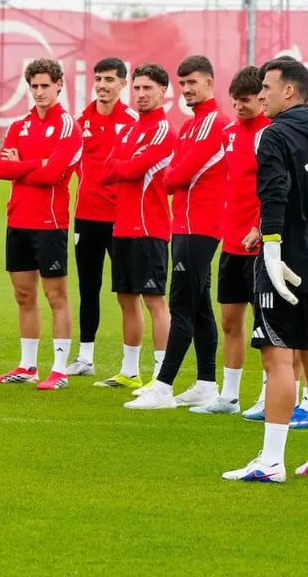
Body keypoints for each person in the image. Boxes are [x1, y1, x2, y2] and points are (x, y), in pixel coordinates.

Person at [223, 57, 308, 482]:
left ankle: (271, 462)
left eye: (267, 87)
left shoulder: (274, 135)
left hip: (285, 263)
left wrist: (270, 246)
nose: (262, 95)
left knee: (278, 361)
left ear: (290, 91)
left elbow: (275, 194)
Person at [127, 55, 230, 409]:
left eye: (193, 83)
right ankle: (206, 382)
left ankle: (164, 386)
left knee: (181, 305)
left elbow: (175, 177)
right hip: (186, 225)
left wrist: (171, 176)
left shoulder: (210, 123)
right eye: (182, 83)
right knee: (199, 305)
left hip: (198, 226)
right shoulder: (191, 125)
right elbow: (173, 172)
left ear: (209, 84)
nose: (187, 89)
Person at [0, 58, 83, 391]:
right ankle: (27, 366)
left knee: (56, 296)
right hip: (18, 220)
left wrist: (25, 166)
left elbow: (54, 174)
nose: (40, 92)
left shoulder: (68, 126)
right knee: (23, 294)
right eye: (34, 86)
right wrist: (37, 163)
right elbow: (1, 170)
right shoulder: (19, 126)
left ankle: (59, 369)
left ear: (59, 84)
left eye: (46, 85)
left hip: (50, 222)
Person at [190, 66, 268, 416]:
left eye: (246, 100)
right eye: (234, 100)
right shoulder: (231, 134)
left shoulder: (270, 133)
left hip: (260, 244)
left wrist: (259, 226)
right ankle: (230, 397)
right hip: (232, 243)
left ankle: (270, 397)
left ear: (262, 99)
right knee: (230, 322)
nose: (238, 106)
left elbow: (276, 191)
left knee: (267, 328)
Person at [93, 63, 173, 393]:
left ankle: (160, 376)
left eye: (147, 89)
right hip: (122, 227)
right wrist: (125, 165)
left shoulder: (163, 129)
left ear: (163, 92)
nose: (140, 94)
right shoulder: (127, 130)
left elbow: (130, 169)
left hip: (150, 228)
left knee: (155, 302)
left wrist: (125, 165)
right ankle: (129, 371)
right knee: (127, 299)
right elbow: (108, 170)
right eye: (137, 88)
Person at [66, 57, 138, 375]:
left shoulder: (134, 121)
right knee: (88, 287)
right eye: (98, 79)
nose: (102, 85)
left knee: (127, 291)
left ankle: (130, 366)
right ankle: (85, 358)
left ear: (123, 84)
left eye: (109, 79)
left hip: (122, 219)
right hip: (86, 216)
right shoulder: (81, 121)